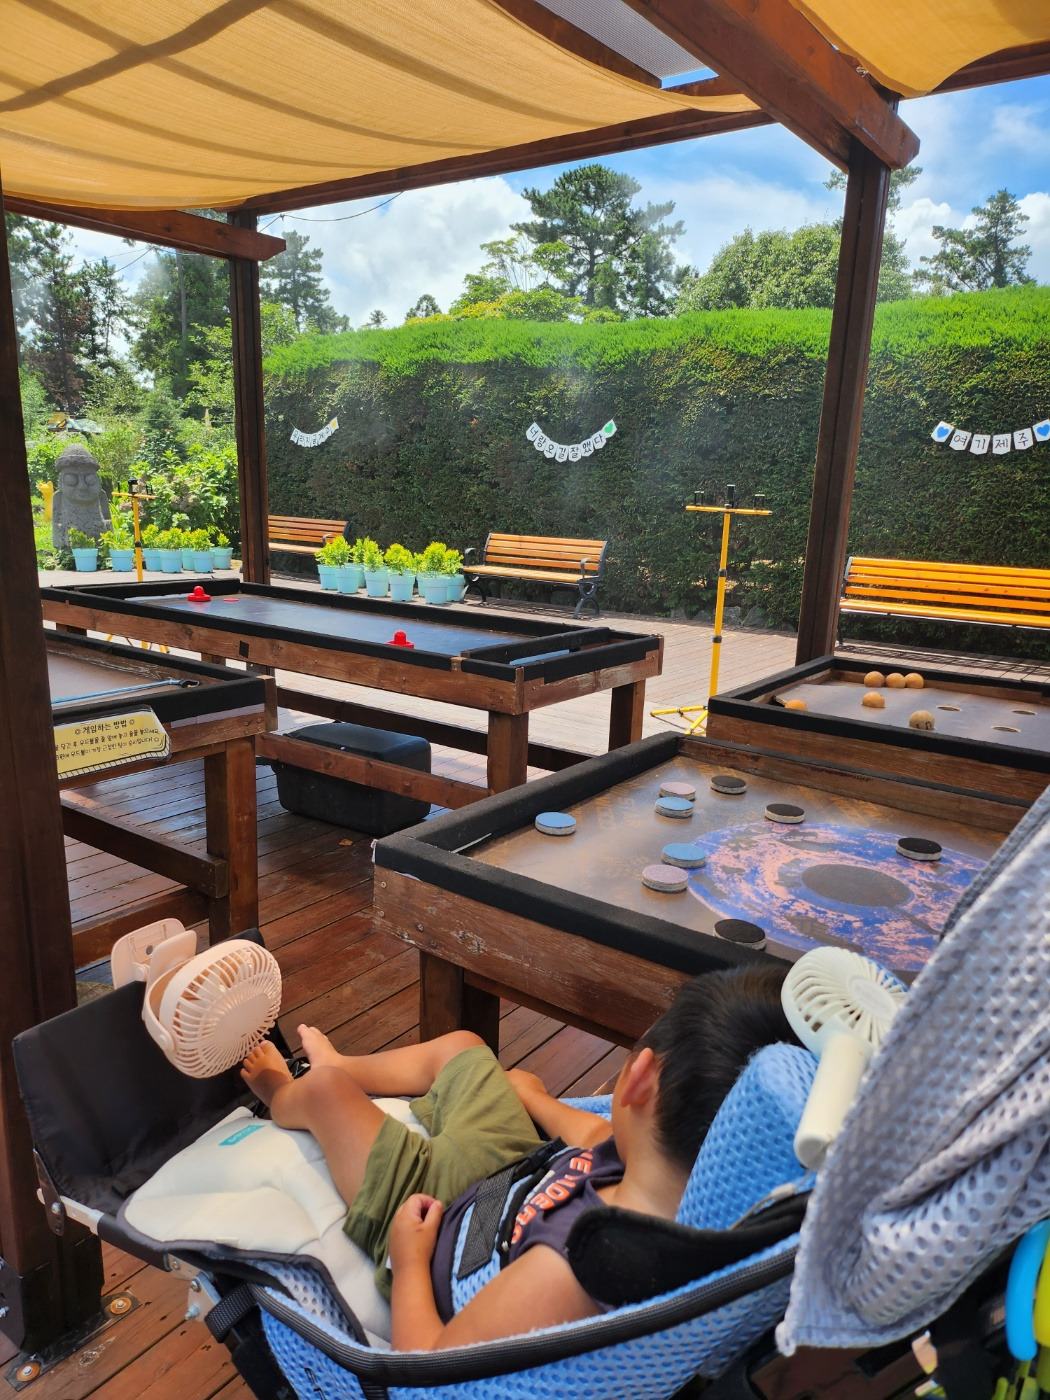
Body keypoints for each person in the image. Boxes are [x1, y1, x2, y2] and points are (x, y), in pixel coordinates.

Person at [241, 962, 799, 1351]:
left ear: (640, 1079)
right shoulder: (696, 1187)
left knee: (326, 1095)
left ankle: (282, 1090)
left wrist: (409, 1263)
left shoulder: (570, 1272)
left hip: (434, 1225)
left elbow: (430, 1365)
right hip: (515, 1178)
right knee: (464, 1047)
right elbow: (597, 1133)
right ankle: (343, 1064)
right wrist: (533, 1098)